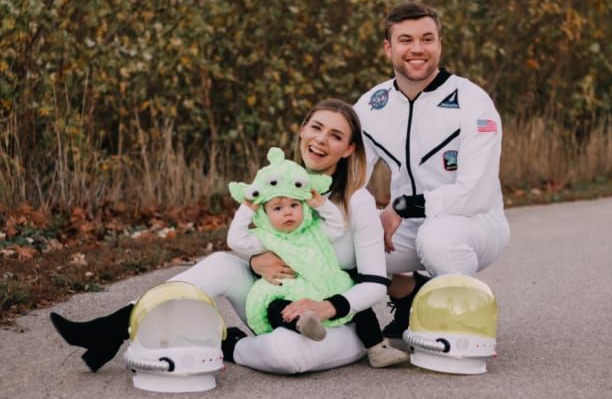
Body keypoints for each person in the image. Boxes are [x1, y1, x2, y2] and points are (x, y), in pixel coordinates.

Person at [50, 98, 399, 374]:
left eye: (335, 136)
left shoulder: (358, 201)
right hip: (274, 303)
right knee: (219, 263)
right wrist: (254, 258)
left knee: (288, 354)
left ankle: (225, 344)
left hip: (334, 322)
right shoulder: (276, 184)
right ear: (302, 131)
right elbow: (256, 236)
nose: (321, 139)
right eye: (316, 127)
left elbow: (375, 284)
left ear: (350, 149)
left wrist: (326, 306)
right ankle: (112, 329)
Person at [353, 1, 511, 338]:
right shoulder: (371, 105)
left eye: (427, 39)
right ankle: (406, 296)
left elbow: (476, 193)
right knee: (343, 245)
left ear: (439, 44)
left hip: (475, 223)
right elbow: (349, 180)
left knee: (436, 238)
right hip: (404, 227)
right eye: (406, 40)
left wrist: (401, 206)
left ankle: (459, 326)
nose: (417, 49)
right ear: (388, 47)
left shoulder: (472, 100)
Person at [227, 147, 408, 367]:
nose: (287, 212)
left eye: (294, 205)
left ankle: (377, 347)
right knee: (276, 308)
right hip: (291, 289)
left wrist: (319, 203)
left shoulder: (313, 229)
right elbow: (236, 241)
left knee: (362, 310)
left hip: (326, 286)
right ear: (264, 213)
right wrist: (247, 208)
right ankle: (302, 324)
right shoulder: (266, 236)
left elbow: (337, 225)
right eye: (277, 208)